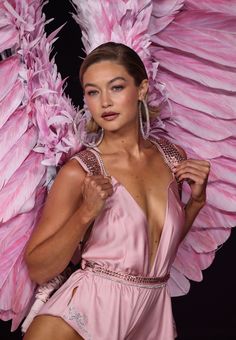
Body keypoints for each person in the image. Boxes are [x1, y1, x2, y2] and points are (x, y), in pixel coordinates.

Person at [23, 42, 210, 340]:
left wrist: (196, 204)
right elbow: (38, 268)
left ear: (142, 88)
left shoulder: (172, 157)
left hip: (152, 314)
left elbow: (157, 251)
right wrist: (85, 213)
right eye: (93, 92)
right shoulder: (81, 171)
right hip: (85, 314)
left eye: (117, 87)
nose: (105, 102)